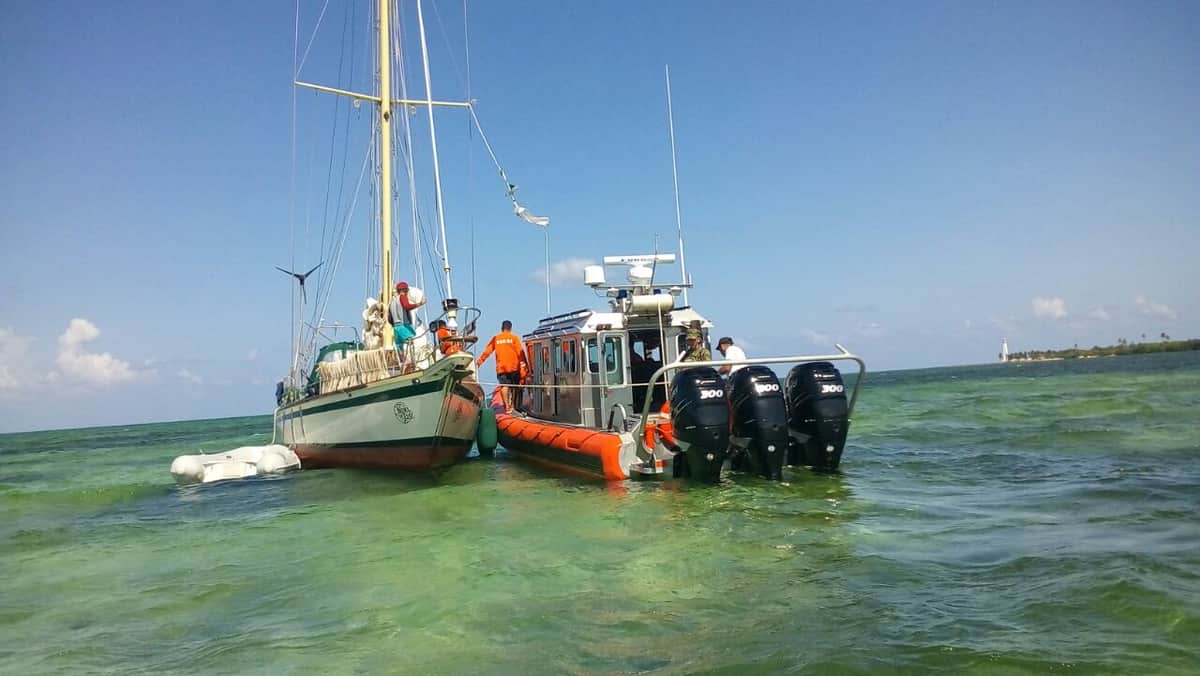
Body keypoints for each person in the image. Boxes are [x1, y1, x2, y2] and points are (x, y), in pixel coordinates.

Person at [477, 320, 529, 412]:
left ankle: (506, 406)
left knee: (504, 385)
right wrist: (526, 367)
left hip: (501, 367)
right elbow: (520, 353)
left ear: (502, 328)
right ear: (511, 328)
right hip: (514, 366)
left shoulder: (496, 338)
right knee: (514, 386)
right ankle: (512, 405)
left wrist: (479, 362)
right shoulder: (514, 338)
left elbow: (487, 351)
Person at [388, 281, 425, 352]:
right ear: (405, 290)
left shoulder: (392, 302)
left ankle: (401, 361)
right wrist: (420, 304)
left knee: (399, 347)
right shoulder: (402, 297)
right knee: (411, 340)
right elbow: (407, 306)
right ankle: (411, 360)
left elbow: (389, 317)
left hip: (396, 328)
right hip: (403, 325)